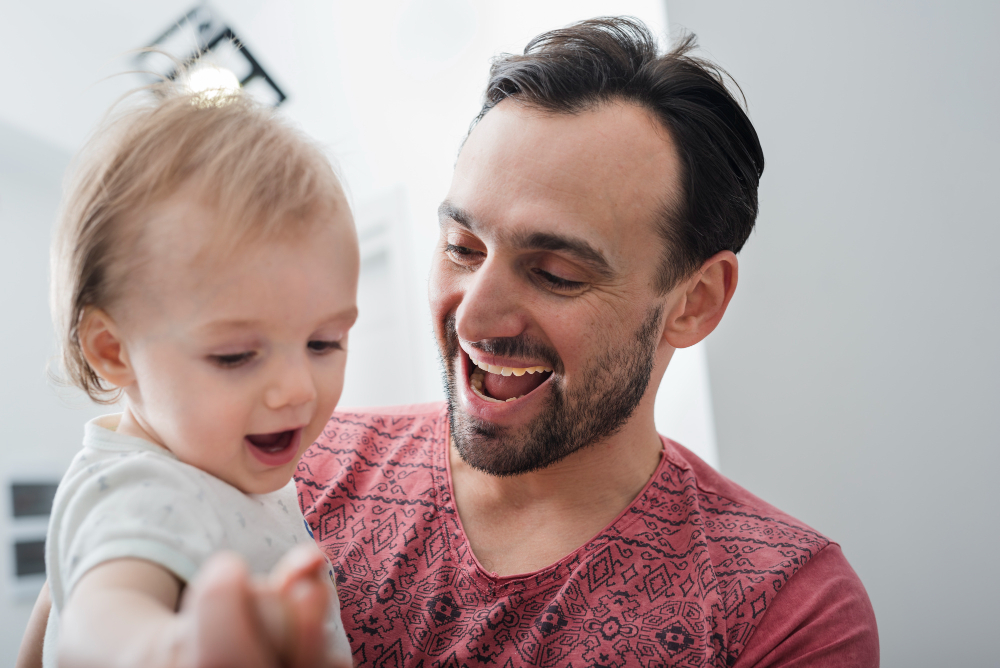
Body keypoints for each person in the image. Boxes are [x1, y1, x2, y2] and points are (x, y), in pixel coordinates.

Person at [21, 16, 879, 668]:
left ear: (694, 303)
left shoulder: (781, 607)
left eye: (556, 272)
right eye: (462, 249)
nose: (473, 317)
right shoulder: (270, 469)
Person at [20, 81, 357, 667]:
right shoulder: (148, 491)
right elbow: (99, 623)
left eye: (323, 342)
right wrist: (171, 650)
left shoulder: (206, 464)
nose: (299, 389)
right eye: (235, 356)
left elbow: (50, 614)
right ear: (113, 351)